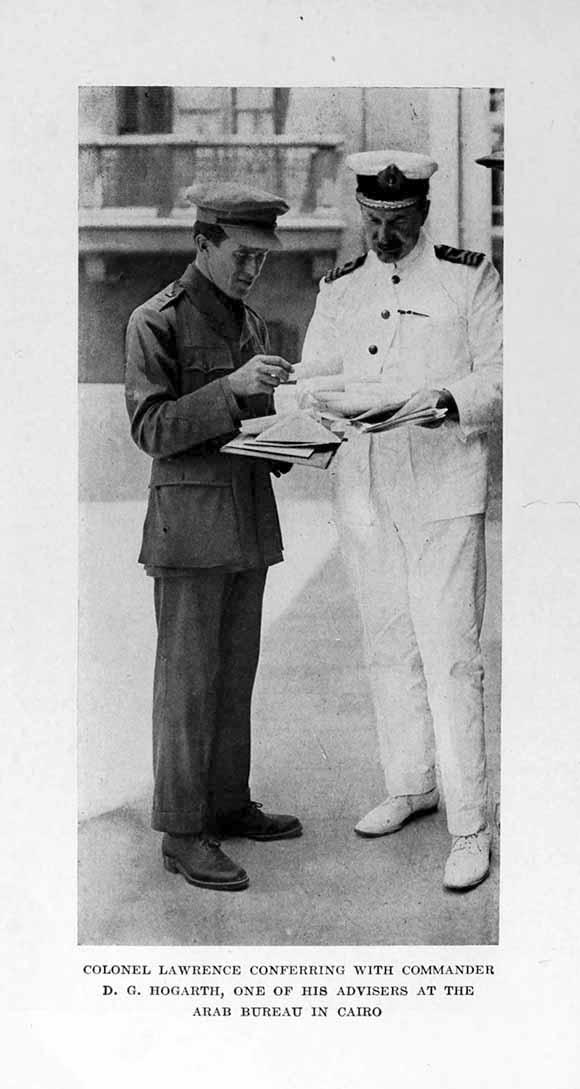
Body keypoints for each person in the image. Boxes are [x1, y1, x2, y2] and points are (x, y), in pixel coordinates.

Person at [297, 150, 502, 891]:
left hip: (445, 486)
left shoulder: (466, 275)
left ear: (422, 212)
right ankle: (411, 782)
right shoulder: (341, 288)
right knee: (388, 645)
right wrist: (316, 397)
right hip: (366, 490)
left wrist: (445, 401)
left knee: (451, 654)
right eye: (373, 220)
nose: (383, 234)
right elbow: (315, 372)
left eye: (398, 220)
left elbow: (499, 377)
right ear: (361, 210)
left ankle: (471, 822)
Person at [125, 182, 302, 893]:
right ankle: (180, 829)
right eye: (241, 254)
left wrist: (298, 426)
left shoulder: (248, 322)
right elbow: (152, 429)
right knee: (188, 685)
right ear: (202, 243)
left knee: (234, 676)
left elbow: (251, 427)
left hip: (245, 528)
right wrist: (232, 388)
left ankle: (226, 804)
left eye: (261, 258)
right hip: (190, 533)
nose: (252, 269)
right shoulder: (153, 320)